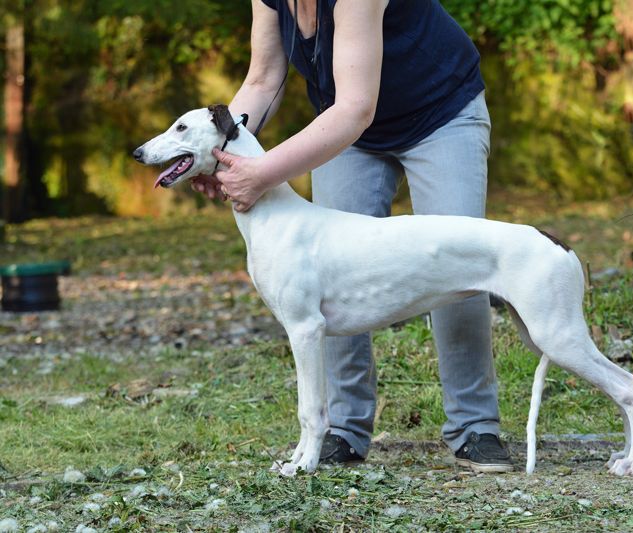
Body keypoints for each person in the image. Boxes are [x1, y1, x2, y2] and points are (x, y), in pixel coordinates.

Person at [193, 0, 512, 472]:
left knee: (458, 261)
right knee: (328, 269)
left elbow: (357, 108)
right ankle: (343, 428)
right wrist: (216, 152)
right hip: (345, 131)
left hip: (438, 113)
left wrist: (260, 173)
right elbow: (262, 81)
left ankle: (475, 427)